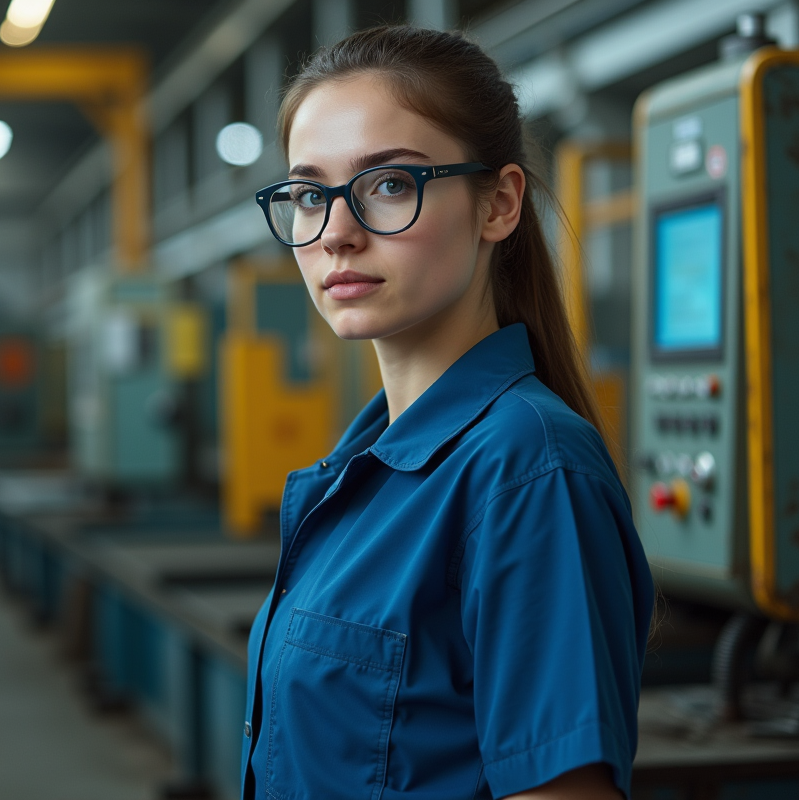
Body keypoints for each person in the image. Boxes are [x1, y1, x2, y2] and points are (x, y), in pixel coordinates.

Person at [244, 25, 653, 800]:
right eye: (308, 195)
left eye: (389, 185)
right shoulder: (363, 470)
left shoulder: (526, 472)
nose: (336, 234)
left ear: (498, 203)